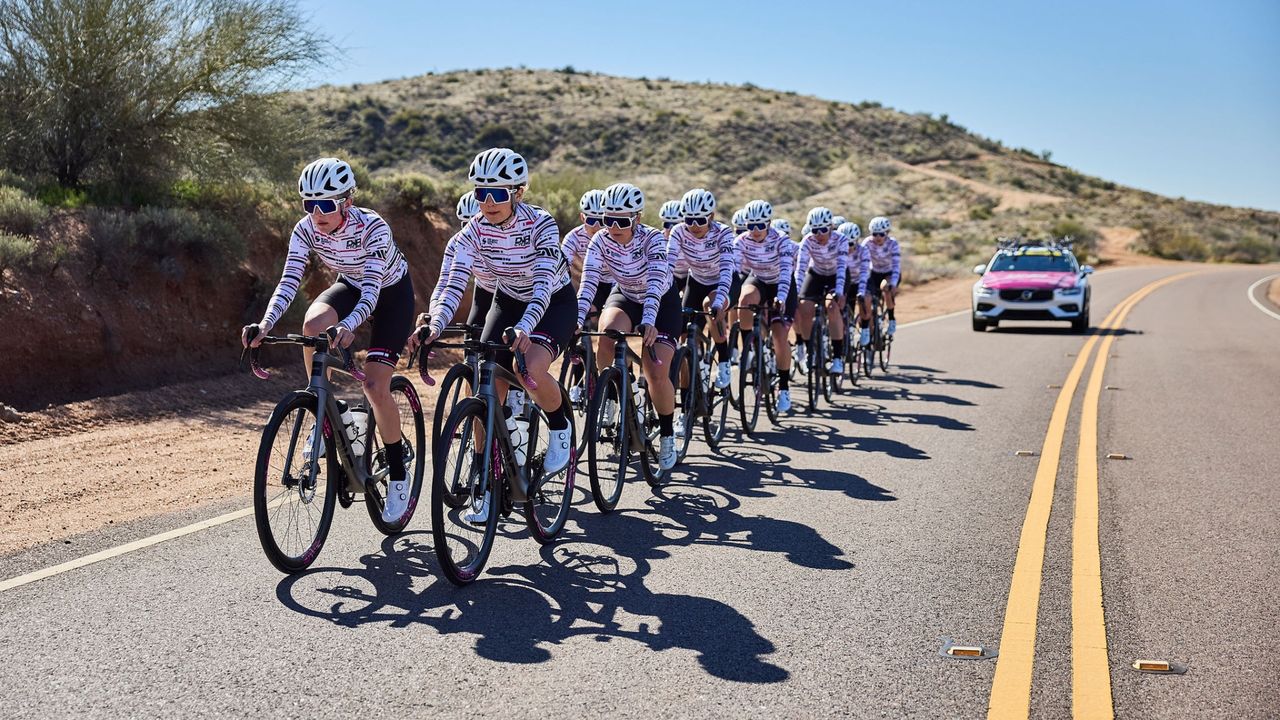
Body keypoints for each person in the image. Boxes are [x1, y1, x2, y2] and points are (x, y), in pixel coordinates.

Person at [243, 157, 416, 524]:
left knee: (373, 385)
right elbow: (289, 280)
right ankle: (326, 411)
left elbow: (371, 292)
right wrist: (265, 324)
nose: (316, 213)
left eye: (325, 205)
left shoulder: (373, 228)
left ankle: (399, 473)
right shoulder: (305, 229)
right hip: (351, 284)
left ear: (347, 202)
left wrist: (351, 325)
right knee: (312, 325)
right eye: (309, 204)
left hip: (389, 294)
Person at [407, 147, 576, 522]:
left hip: (552, 304)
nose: (487, 202)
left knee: (528, 370)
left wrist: (527, 327)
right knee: (487, 386)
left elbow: (545, 285)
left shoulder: (541, 224)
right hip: (508, 300)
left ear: (518, 192)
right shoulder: (470, 233)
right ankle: (484, 487)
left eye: (497, 194)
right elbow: (450, 285)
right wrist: (434, 324)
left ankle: (561, 425)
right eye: (480, 193)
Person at [575, 182, 682, 472]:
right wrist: (577, 316)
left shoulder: (654, 240)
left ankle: (668, 433)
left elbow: (657, 282)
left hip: (660, 300)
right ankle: (609, 393)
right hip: (625, 294)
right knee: (607, 335)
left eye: (621, 221)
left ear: (636, 218)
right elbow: (588, 283)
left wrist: (648, 320)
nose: (613, 227)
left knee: (656, 372)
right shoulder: (599, 241)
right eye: (608, 220)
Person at [666, 188, 736, 389]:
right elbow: (669, 267)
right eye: (689, 220)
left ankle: (723, 360)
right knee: (682, 334)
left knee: (710, 305)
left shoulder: (723, 233)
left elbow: (726, 270)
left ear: (711, 216)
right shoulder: (678, 232)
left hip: (723, 282)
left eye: (700, 220)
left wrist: (719, 299)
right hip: (695, 282)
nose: (694, 226)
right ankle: (690, 386)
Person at [734, 200, 797, 412]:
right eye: (751, 226)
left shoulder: (782, 240)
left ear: (769, 223)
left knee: (779, 337)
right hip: (759, 279)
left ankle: (785, 388)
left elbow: (787, 272)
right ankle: (749, 350)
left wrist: (780, 297)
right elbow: (734, 270)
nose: (756, 230)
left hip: (782, 282)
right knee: (744, 301)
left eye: (760, 225)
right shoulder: (741, 241)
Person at [422, 191, 494, 333]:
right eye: (466, 225)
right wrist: (433, 316)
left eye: (481, 223)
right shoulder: (456, 243)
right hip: (484, 290)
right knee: (471, 341)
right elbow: (444, 284)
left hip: (514, 294)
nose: (474, 230)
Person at [793, 206, 849, 375]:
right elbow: (801, 268)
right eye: (815, 230)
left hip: (835, 275)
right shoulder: (808, 241)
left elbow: (841, 268)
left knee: (832, 307)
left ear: (831, 227)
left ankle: (838, 358)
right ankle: (810, 351)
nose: (819, 234)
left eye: (823, 229)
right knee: (804, 307)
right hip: (816, 273)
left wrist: (839, 291)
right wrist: (794, 293)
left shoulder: (841, 240)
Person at [866, 216, 902, 337]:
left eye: (881, 234)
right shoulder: (867, 243)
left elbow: (896, 265)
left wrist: (893, 283)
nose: (878, 237)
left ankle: (891, 319)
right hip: (874, 272)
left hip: (890, 273)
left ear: (887, 233)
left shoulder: (893, 243)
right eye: (874, 234)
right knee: (868, 299)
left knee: (885, 287)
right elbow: (862, 263)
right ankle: (872, 333)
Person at [838, 221, 872, 349]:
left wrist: (861, 292)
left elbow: (864, 273)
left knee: (865, 300)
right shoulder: (836, 251)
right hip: (845, 283)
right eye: (844, 244)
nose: (847, 247)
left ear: (857, 241)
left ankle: (865, 328)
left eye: (850, 244)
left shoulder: (864, 251)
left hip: (860, 282)